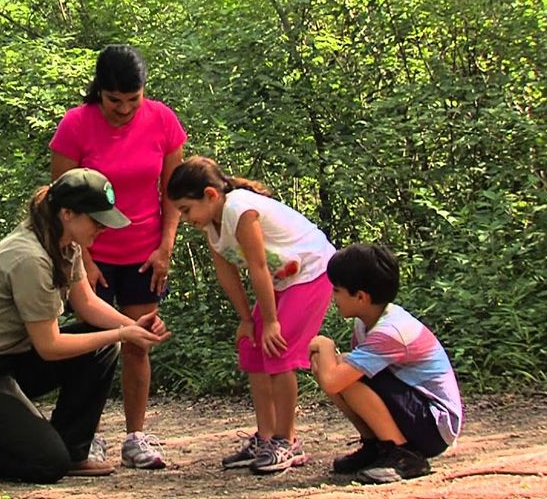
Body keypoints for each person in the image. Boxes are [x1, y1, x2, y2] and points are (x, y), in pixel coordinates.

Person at [0, 168, 171, 484]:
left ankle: (73, 450)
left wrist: (135, 326)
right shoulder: (30, 257)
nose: (102, 229)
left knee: (103, 346)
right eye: (96, 220)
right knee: (46, 465)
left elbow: (87, 305)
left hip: (6, 361)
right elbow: (50, 347)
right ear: (67, 213)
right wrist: (124, 334)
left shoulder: (66, 244)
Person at [49, 44, 186, 469]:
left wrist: (166, 246)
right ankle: (83, 434)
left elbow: (173, 193)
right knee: (92, 348)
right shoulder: (76, 125)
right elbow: (62, 200)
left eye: (133, 100)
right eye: (114, 101)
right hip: (90, 254)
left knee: (137, 342)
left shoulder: (163, 120)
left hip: (143, 253)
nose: (124, 109)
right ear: (99, 92)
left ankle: (136, 436)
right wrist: (83, 257)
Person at [166, 156, 335, 474]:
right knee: (252, 347)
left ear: (210, 195)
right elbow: (227, 275)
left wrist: (270, 323)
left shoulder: (240, 209)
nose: (186, 218)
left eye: (187, 209)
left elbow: (257, 267)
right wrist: (247, 320)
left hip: (312, 271)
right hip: (283, 278)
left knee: (278, 350)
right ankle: (266, 437)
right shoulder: (212, 225)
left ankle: (287, 441)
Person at [309, 244, 463, 484]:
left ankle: (403, 455)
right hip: (416, 412)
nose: (333, 296)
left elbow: (333, 381)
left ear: (361, 297)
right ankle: (377, 445)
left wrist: (324, 343)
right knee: (335, 366)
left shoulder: (390, 331)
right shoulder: (366, 323)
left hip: (434, 424)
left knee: (341, 372)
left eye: (337, 290)